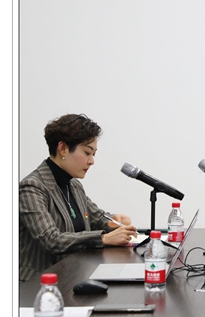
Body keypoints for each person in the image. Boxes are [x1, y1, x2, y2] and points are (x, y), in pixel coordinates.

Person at [19, 114, 137, 282]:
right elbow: (51, 240)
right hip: (37, 284)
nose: (92, 161)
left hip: (73, 276)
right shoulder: (32, 187)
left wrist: (114, 222)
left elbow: (97, 218)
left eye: (94, 154)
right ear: (63, 148)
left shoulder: (74, 185)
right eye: (87, 152)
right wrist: (103, 238)